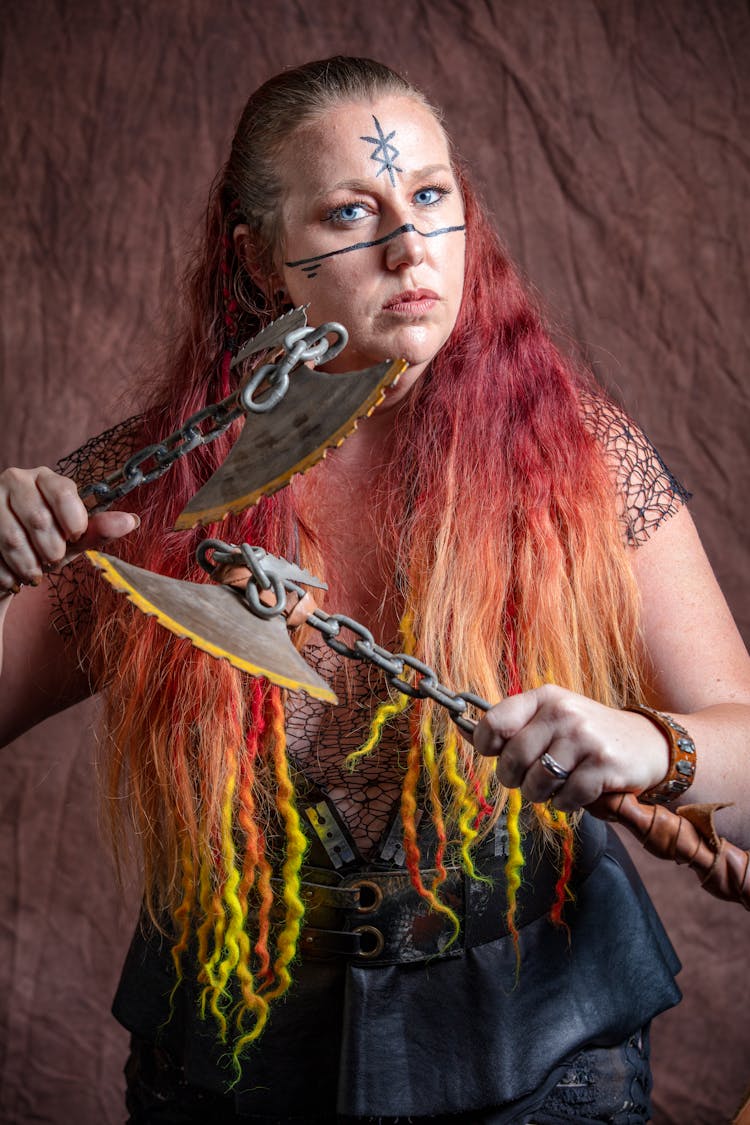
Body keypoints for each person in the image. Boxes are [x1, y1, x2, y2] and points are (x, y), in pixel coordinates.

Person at [1, 55, 749, 1125]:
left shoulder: (576, 462)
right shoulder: (143, 497)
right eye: (354, 210)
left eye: (431, 196)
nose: (410, 248)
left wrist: (649, 745)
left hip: (543, 1067)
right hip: (229, 1071)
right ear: (260, 263)